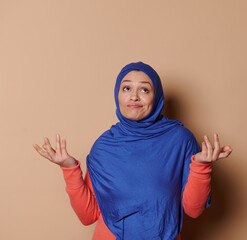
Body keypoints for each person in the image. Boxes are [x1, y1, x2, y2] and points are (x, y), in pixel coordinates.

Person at [33, 62, 232, 240]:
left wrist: (201, 166)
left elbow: (193, 209)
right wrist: (69, 169)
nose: (134, 96)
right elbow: (88, 216)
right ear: (117, 94)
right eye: (126, 88)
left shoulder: (180, 139)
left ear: (157, 97)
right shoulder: (103, 147)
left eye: (144, 90)